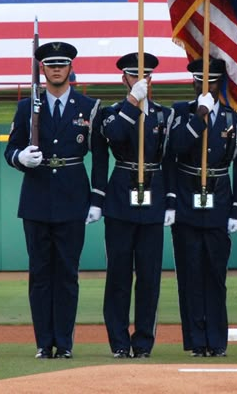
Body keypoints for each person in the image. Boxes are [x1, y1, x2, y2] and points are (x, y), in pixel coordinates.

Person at [4, 41, 108, 360]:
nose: (57, 69)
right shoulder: (27, 108)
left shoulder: (88, 107)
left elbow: (100, 158)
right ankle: (42, 342)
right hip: (36, 199)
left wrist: (97, 199)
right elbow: (10, 151)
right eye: (51, 65)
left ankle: (63, 342)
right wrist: (21, 157)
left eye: (62, 64)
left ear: (70, 68)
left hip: (72, 197)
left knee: (67, 274)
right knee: (40, 274)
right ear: (42, 70)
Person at [90, 52, 174, 359]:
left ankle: (143, 342)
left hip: (154, 196)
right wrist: (130, 103)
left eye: (146, 76)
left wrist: (170, 201)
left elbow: (170, 159)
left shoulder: (164, 115)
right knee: (119, 275)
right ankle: (119, 342)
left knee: (150, 276)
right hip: (121, 198)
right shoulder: (111, 113)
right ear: (123, 78)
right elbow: (113, 136)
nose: (141, 80)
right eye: (134, 76)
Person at [167, 58, 237, 358]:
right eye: (200, 81)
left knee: (215, 274)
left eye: (212, 81)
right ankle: (195, 340)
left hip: (219, 201)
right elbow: (173, 150)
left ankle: (216, 340)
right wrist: (198, 117)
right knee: (189, 275)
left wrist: (236, 209)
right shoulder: (180, 113)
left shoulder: (235, 119)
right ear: (192, 83)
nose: (206, 86)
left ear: (220, 83)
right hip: (187, 202)